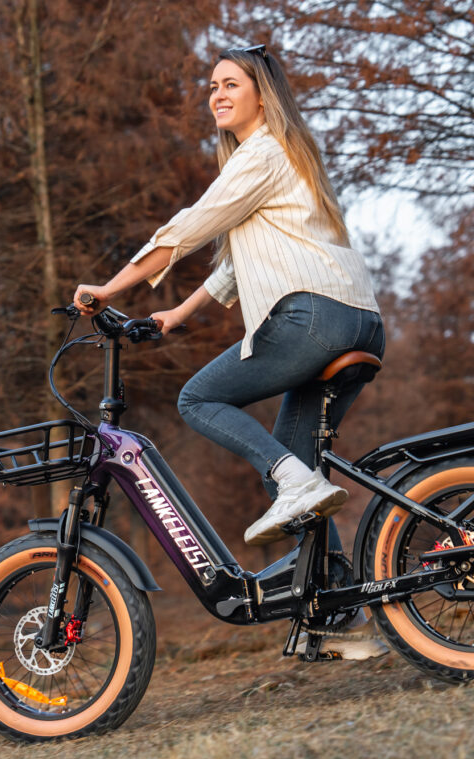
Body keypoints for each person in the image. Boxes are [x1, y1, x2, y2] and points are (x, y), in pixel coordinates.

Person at [73, 45, 384, 586]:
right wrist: (178, 311)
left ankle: (298, 485)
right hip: (359, 321)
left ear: (263, 97)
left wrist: (109, 287)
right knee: (289, 462)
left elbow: (190, 228)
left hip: (310, 319)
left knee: (199, 398)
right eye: (212, 86)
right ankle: (339, 610)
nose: (216, 94)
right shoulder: (291, 157)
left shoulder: (260, 155)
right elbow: (237, 267)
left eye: (230, 84)